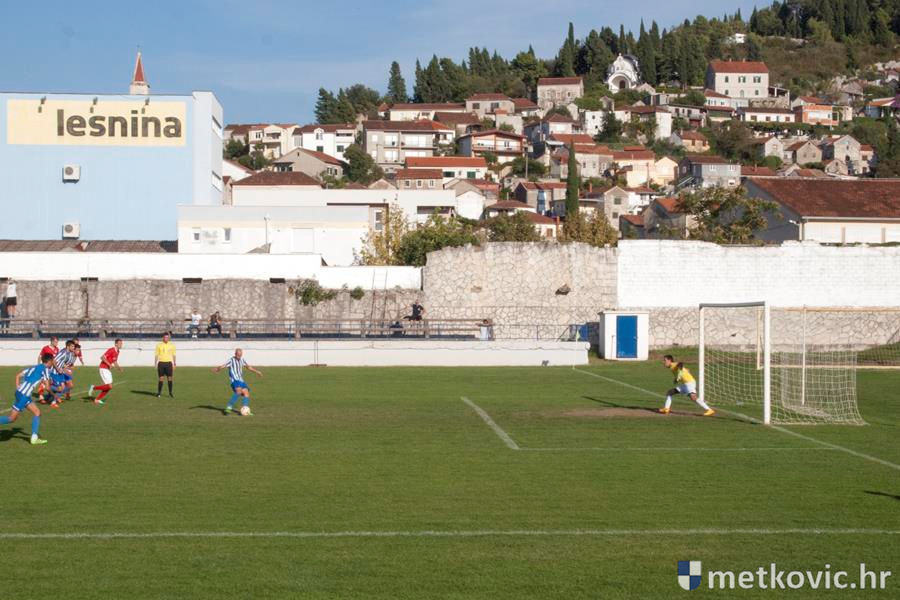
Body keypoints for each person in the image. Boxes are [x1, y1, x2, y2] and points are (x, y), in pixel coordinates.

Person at [0, 353, 53, 445]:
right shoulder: (46, 370)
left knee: (37, 412)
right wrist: (54, 395)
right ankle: (34, 438)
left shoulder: (35, 367)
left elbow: (18, 375)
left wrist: (18, 386)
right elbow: (47, 388)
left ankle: (34, 438)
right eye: (52, 361)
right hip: (24, 396)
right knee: (11, 418)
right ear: (49, 361)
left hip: (20, 393)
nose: (53, 362)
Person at [212, 348, 263, 416]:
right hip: (235, 380)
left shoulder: (242, 359)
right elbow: (224, 365)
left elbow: (248, 367)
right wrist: (218, 369)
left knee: (246, 393)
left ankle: (245, 410)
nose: (239, 357)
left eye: (240, 355)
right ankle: (229, 407)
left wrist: (257, 372)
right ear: (235, 354)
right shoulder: (231, 360)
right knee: (238, 392)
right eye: (238, 355)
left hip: (241, 380)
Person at [88, 339, 124, 405]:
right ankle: (93, 387)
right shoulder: (111, 350)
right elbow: (102, 357)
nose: (121, 345)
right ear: (116, 344)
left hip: (107, 369)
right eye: (120, 343)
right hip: (103, 368)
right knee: (109, 386)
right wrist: (109, 364)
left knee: (108, 387)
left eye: (121, 343)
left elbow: (115, 361)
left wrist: (119, 368)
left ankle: (97, 399)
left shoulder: (118, 351)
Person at [46, 339, 77, 407]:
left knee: (67, 387)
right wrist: (57, 369)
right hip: (55, 372)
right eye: (72, 346)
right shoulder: (63, 353)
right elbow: (54, 360)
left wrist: (66, 369)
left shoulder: (68, 353)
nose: (73, 348)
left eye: (74, 346)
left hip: (60, 373)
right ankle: (53, 400)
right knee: (61, 388)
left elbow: (62, 362)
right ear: (68, 346)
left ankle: (49, 396)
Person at [155, 332, 176, 398]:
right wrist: (155, 363)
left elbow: (174, 355)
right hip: (161, 363)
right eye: (165, 337)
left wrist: (174, 363)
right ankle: (159, 393)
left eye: (167, 337)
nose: (166, 338)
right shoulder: (159, 345)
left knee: (170, 378)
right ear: (163, 338)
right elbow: (156, 355)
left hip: (169, 363)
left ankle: (170, 392)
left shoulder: (172, 345)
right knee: (161, 378)